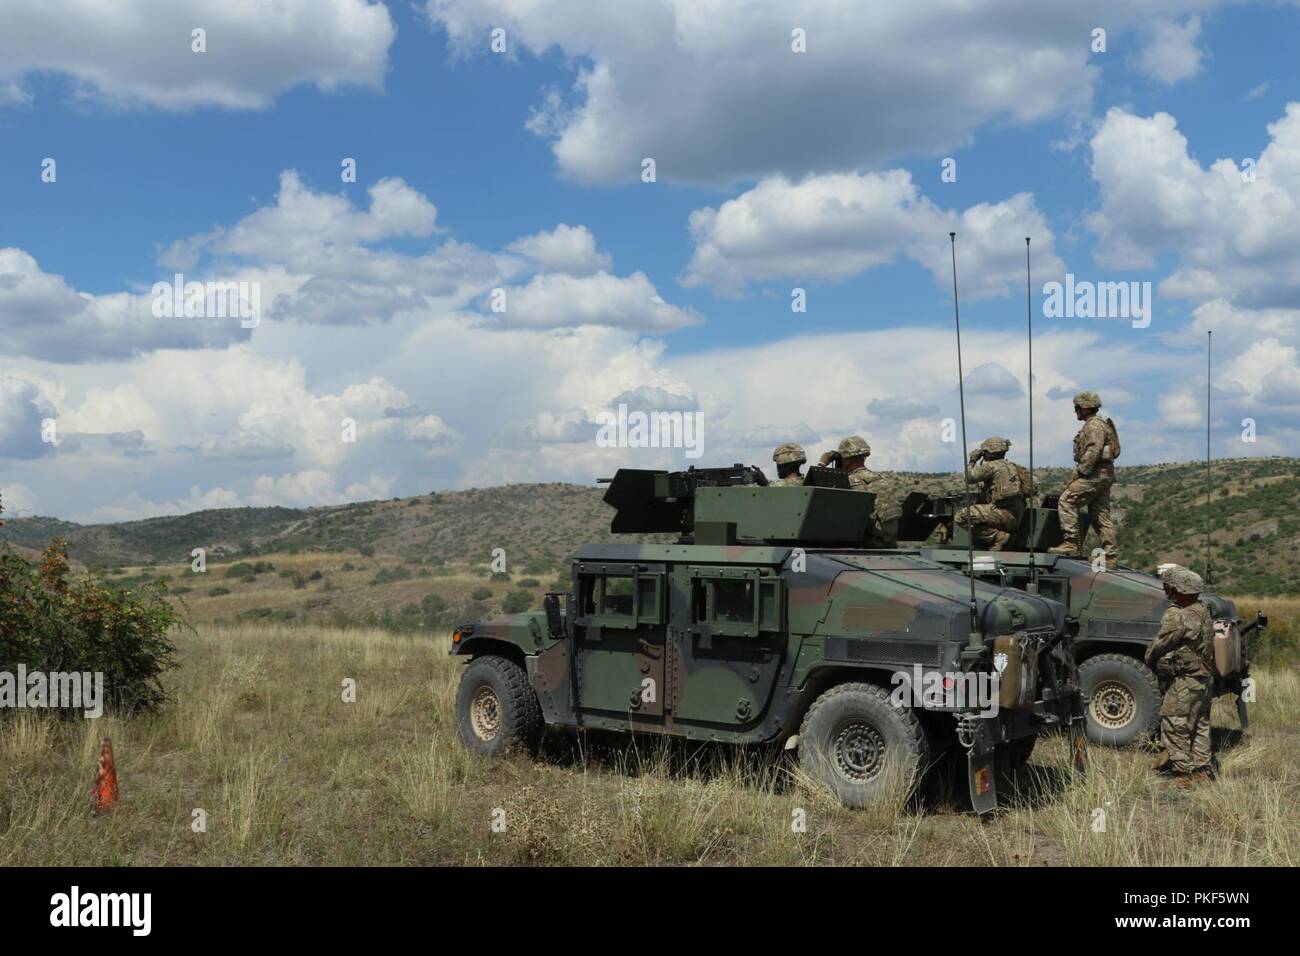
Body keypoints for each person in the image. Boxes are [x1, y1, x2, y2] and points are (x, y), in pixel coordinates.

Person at [1145, 566, 1216, 784]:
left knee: (1174, 723)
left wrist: (1149, 658)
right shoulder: (1203, 610)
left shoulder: (1178, 615)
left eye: (1169, 587)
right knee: (1199, 724)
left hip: (1185, 679)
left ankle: (1184, 773)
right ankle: (1202, 769)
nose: (1166, 591)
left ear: (1177, 590)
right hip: (1203, 678)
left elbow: (1160, 644)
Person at [1049, 390, 1118, 564]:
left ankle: (1070, 543)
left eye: (1077, 407)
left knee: (1067, 500)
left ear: (1086, 408)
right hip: (1104, 475)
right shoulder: (1100, 424)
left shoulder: (1093, 425)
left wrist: (1080, 472)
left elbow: (1093, 450)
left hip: (1094, 475)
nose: (1075, 410)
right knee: (1100, 514)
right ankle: (1110, 555)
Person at [822, 435, 901, 546]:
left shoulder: (849, 481)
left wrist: (822, 464)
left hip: (866, 545)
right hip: (887, 544)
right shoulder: (881, 480)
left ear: (845, 459)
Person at [955, 437, 1025, 550]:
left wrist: (972, 460)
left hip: (1002, 514)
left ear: (988, 452)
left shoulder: (991, 466)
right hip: (1017, 515)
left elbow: (969, 478)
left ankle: (999, 537)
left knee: (961, 516)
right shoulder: (1014, 467)